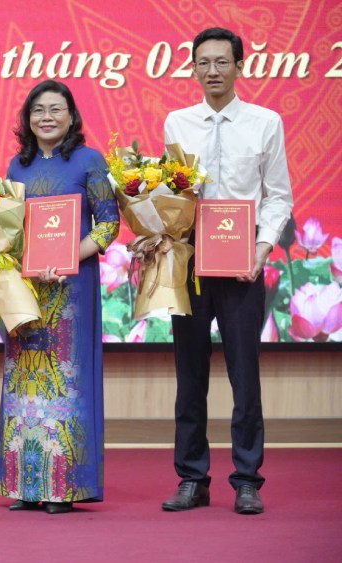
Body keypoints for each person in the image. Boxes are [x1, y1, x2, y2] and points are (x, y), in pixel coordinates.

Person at [161, 27, 293, 515]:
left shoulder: (265, 122)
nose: (211, 70)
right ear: (192, 68)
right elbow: (173, 196)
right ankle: (192, 478)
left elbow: (278, 196)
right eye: (203, 62)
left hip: (244, 265)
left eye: (221, 61)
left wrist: (261, 249)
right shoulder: (177, 122)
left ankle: (247, 479)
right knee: (189, 375)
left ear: (240, 66)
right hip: (191, 263)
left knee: (244, 374)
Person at [0, 80, 119, 514]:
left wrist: (67, 257)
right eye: (38, 109)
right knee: (25, 384)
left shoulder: (89, 161)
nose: (46, 117)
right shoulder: (16, 167)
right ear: (27, 118)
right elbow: (10, 230)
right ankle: (26, 483)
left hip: (71, 291)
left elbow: (109, 224)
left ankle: (64, 488)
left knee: (64, 383)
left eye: (56, 109)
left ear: (71, 116)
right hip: (25, 290)